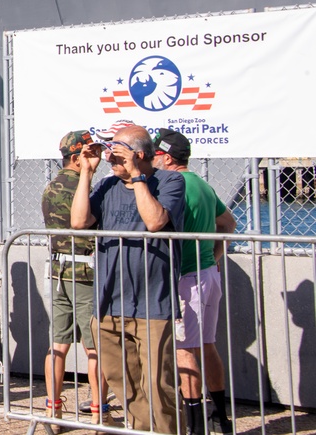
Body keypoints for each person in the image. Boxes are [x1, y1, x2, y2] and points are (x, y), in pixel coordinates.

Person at [71, 123, 185, 434]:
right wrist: (87, 173)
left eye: (118, 152)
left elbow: (155, 221)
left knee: (158, 389)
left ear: (140, 154)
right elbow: (79, 222)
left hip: (152, 306)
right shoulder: (107, 186)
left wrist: (136, 175)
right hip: (109, 304)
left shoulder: (170, 181)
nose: (111, 157)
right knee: (126, 385)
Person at [153, 129, 237, 435]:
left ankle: (195, 425)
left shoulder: (174, 184)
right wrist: (213, 258)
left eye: (155, 154)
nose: (152, 159)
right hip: (206, 274)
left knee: (184, 349)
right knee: (206, 345)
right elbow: (229, 223)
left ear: (166, 157)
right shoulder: (202, 183)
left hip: (187, 278)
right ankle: (221, 417)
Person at [41, 131, 110, 427]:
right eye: (89, 153)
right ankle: (98, 414)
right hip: (85, 273)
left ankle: (53, 410)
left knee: (58, 344)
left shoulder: (50, 187)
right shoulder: (84, 189)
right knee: (96, 347)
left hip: (58, 271)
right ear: (76, 157)